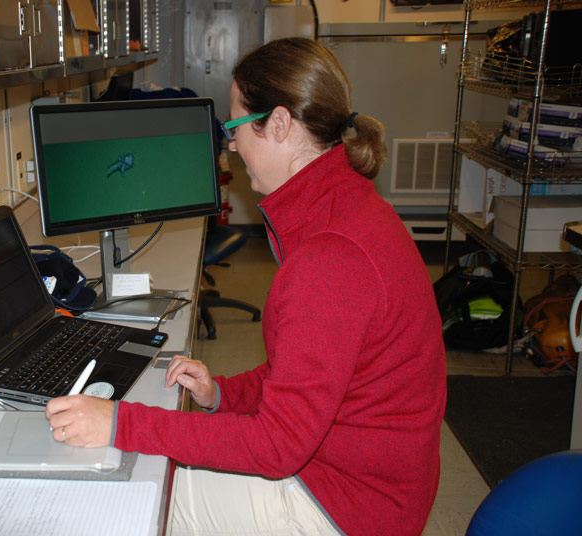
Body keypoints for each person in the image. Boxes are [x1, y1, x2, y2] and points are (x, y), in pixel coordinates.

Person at [46, 37, 446, 536]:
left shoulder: (330, 258)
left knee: (132, 491)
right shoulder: (348, 210)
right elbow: (308, 376)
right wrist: (222, 396)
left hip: (344, 508)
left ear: (279, 123)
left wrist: (119, 424)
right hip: (362, 482)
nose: (231, 145)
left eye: (235, 128)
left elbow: (278, 447)